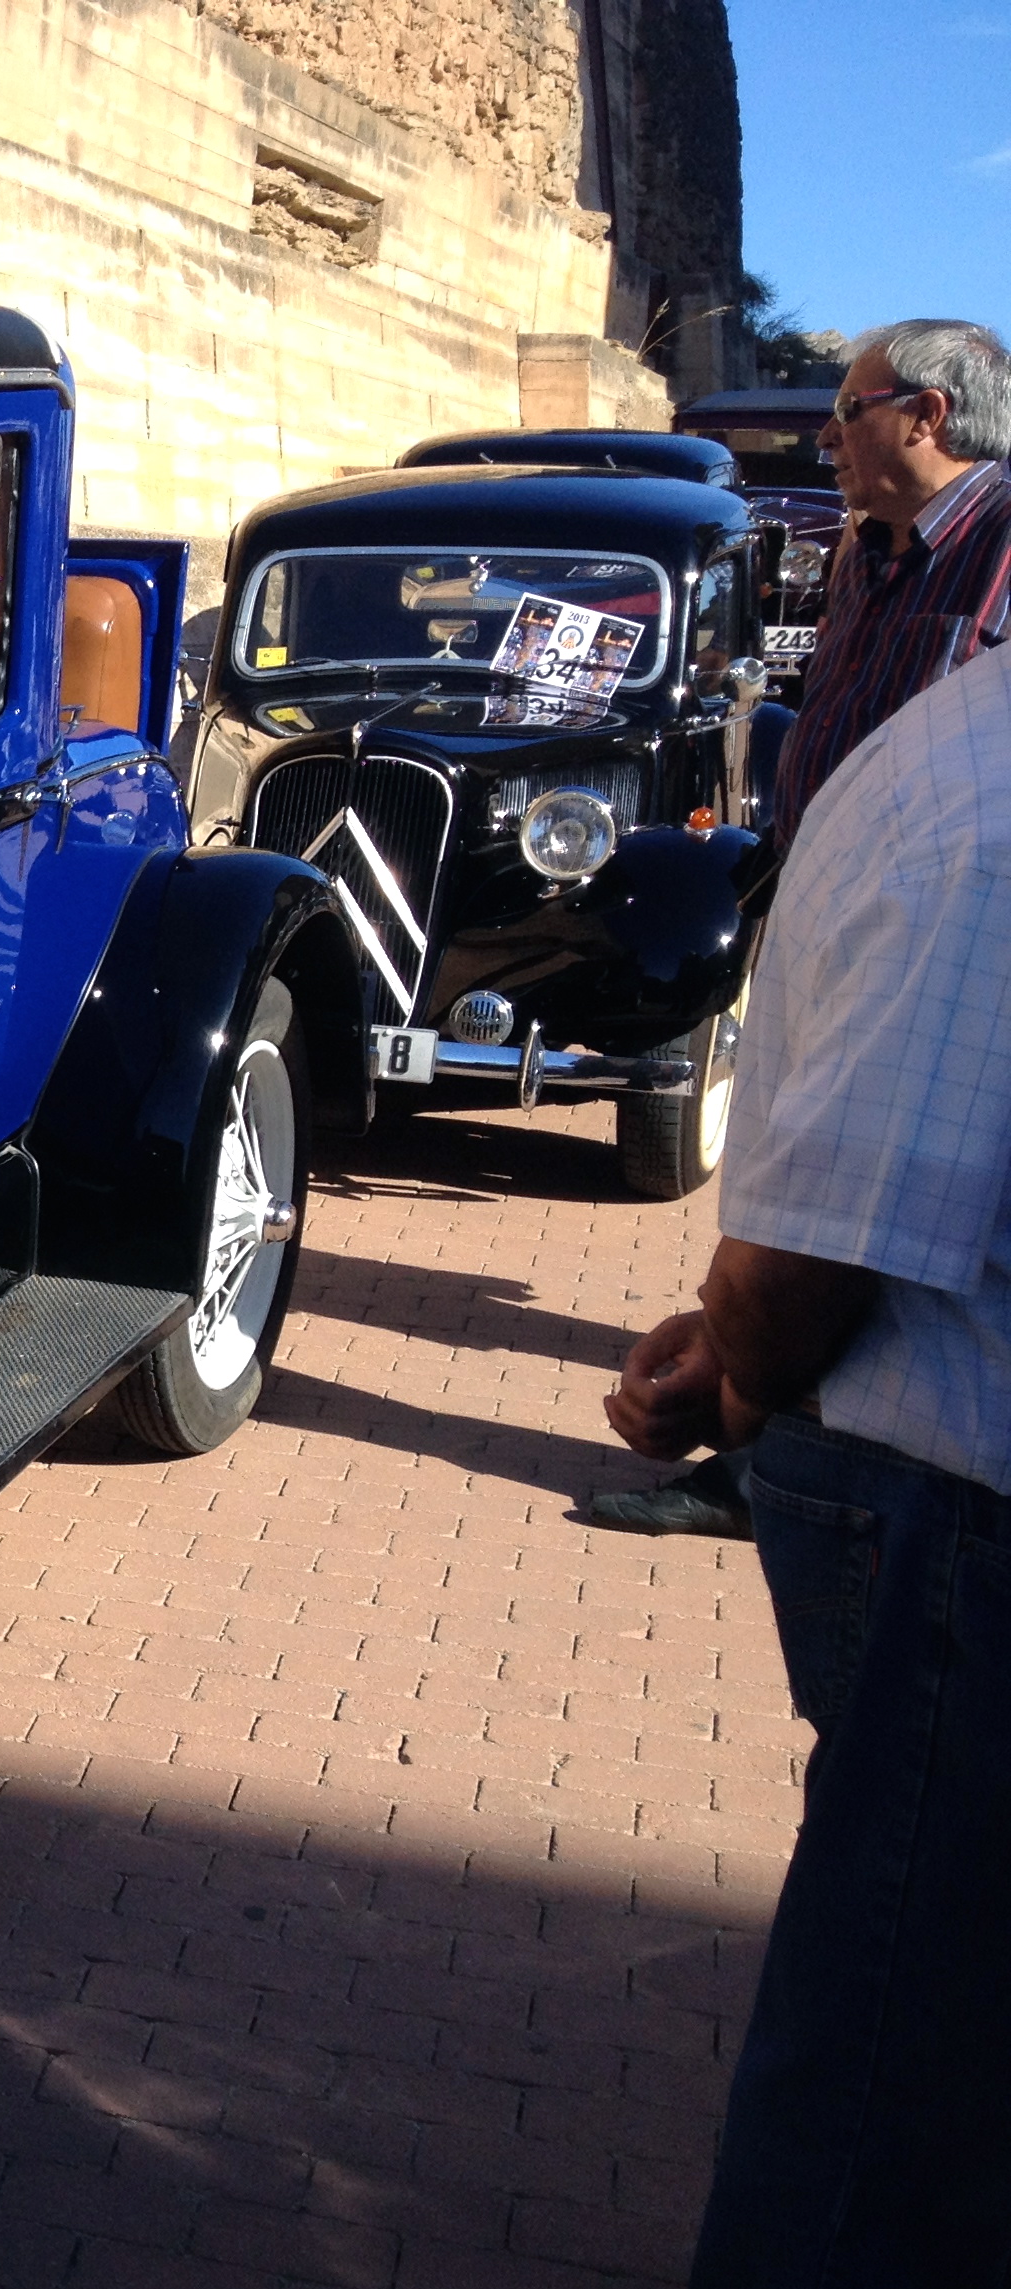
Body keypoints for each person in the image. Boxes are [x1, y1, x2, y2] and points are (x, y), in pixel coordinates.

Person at [604, 641, 1011, 2289]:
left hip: (935, 1479)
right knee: (883, 2099)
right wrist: (741, 1357)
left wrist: (737, 1347)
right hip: (950, 1512)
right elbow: (818, 1256)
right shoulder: (989, 818)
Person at [592, 318, 1011, 1542]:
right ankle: (769, 1437)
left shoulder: (1000, 544)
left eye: (847, 412)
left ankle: (769, 1441)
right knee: (783, 1161)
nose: (825, 440)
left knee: (845, 1211)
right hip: (828, 899)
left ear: (928, 417)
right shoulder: (866, 553)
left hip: (926, 932)